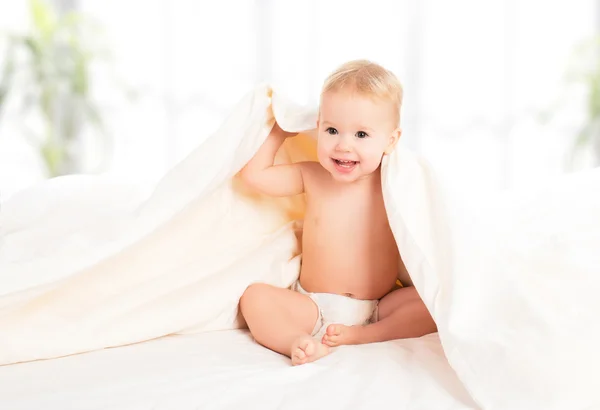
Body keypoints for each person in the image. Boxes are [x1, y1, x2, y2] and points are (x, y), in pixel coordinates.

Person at [239, 59, 437, 366]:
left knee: (435, 300)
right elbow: (255, 176)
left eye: (361, 135)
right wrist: (280, 133)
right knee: (254, 298)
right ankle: (297, 341)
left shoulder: (394, 185)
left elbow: (426, 226)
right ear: (318, 127)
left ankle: (367, 335)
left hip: (380, 306)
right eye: (332, 130)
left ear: (391, 141)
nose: (343, 145)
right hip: (313, 305)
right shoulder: (313, 176)